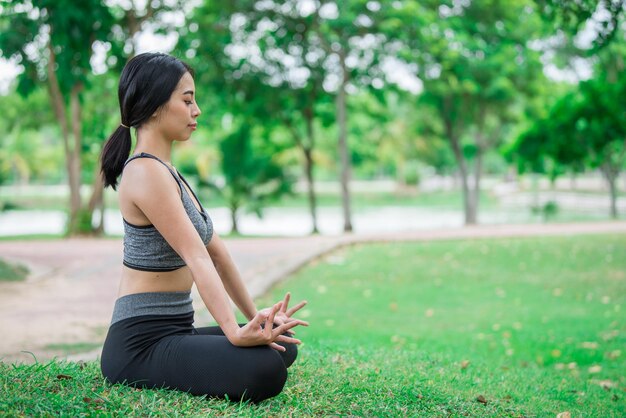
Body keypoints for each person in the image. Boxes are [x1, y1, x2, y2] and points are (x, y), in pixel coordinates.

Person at [99, 52, 308, 403]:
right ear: (153, 105)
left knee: (280, 346)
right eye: (187, 100)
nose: (196, 111)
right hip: (139, 344)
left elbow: (218, 254)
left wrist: (253, 318)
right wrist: (233, 332)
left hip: (177, 329)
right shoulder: (144, 172)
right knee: (266, 368)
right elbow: (197, 257)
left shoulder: (168, 172)